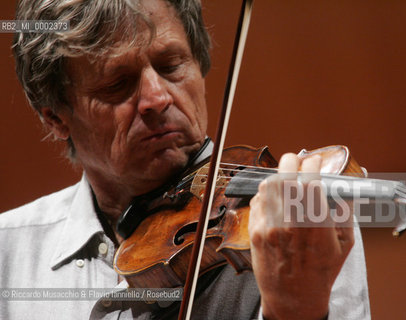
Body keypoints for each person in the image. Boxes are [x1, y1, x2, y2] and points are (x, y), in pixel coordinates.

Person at [0, 0, 370, 319]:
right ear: (56, 117)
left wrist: (295, 310)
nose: (157, 98)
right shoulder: (9, 253)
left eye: (171, 65)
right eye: (117, 84)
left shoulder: (303, 223)